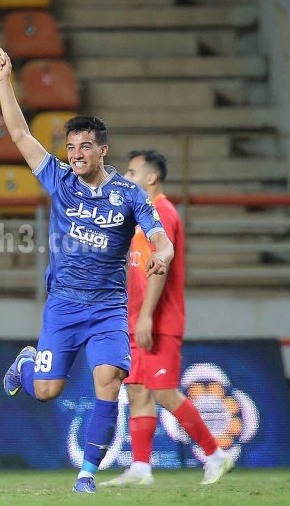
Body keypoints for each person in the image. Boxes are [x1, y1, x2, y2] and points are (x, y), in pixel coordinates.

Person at [0, 47, 175, 494]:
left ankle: (87, 474)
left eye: (84, 146)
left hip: (109, 307)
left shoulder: (129, 195)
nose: (75, 153)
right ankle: (28, 363)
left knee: (109, 381)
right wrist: (3, 82)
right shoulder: (59, 179)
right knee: (47, 391)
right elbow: (18, 133)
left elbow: (160, 235)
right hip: (64, 304)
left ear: (102, 150)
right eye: (71, 146)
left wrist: (163, 253)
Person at [101, 150, 233, 487]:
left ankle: (216, 455)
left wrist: (146, 317)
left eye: (131, 172)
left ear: (151, 178)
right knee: (138, 393)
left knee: (164, 393)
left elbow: (158, 267)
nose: (125, 178)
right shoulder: (140, 215)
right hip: (135, 320)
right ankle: (141, 468)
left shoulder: (162, 213)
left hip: (158, 322)